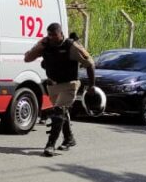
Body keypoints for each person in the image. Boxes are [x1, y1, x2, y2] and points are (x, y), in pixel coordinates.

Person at [24, 23, 95, 157]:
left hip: (70, 84)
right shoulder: (46, 45)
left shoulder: (71, 46)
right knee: (61, 113)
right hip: (53, 85)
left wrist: (92, 85)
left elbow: (90, 64)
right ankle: (69, 139)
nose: (51, 38)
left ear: (61, 34)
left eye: (54, 35)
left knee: (58, 111)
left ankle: (50, 145)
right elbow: (27, 58)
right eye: (49, 35)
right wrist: (39, 44)